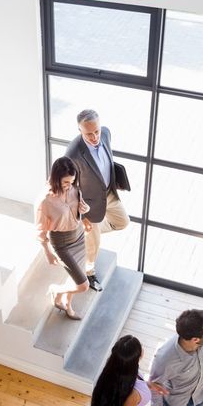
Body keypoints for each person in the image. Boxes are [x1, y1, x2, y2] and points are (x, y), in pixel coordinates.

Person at [65, 108, 129, 291]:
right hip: (89, 204)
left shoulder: (106, 133)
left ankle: (84, 236)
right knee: (93, 245)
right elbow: (70, 188)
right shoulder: (73, 153)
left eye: (96, 131)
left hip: (109, 193)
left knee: (122, 222)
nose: (94, 137)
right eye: (88, 133)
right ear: (80, 131)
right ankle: (89, 272)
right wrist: (83, 216)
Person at [35, 156, 92, 320]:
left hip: (79, 236)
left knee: (74, 275)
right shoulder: (45, 201)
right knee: (83, 285)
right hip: (62, 243)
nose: (69, 186)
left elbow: (78, 210)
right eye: (65, 182)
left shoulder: (75, 189)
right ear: (56, 178)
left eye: (72, 181)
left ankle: (67, 303)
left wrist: (85, 212)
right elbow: (40, 230)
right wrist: (47, 252)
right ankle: (56, 289)